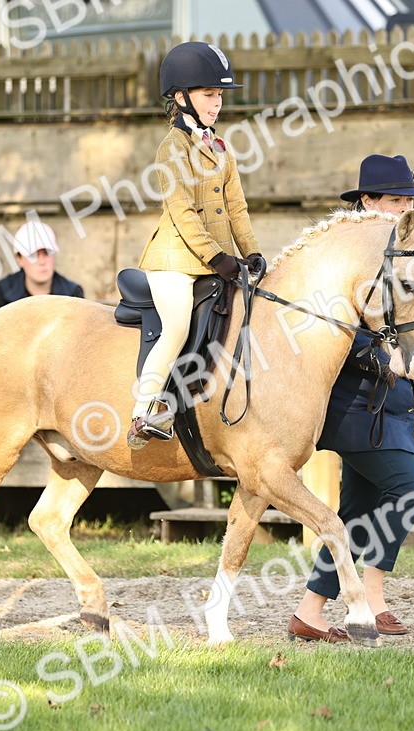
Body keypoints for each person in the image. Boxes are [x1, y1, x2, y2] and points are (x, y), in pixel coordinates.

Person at [287, 154, 414, 643]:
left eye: (409, 200)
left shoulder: (411, 245)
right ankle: (371, 597)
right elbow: (329, 327)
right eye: (395, 200)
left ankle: (310, 612)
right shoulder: (343, 254)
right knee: (408, 491)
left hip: (398, 400)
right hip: (356, 405)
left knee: (356, 512)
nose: (405, 209)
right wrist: (376, 357)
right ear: (367, 201)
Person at [125, 41, 263, 450]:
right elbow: (182, 212)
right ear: (181, 97)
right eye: (208, 94)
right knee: (177, 325)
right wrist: (217, 257)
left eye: (219, 94)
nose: (217, 102)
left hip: (215, 261)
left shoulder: (220, 147)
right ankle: (143, 412)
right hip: (174, 261)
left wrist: (251, 252)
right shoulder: (172, 147)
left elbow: (236, 207)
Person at [0, 219, 84, 308]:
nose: (42, 262)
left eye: (47, 253)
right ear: (19, 259)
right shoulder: (3, 291)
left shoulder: (73, 294)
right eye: (32, 255)